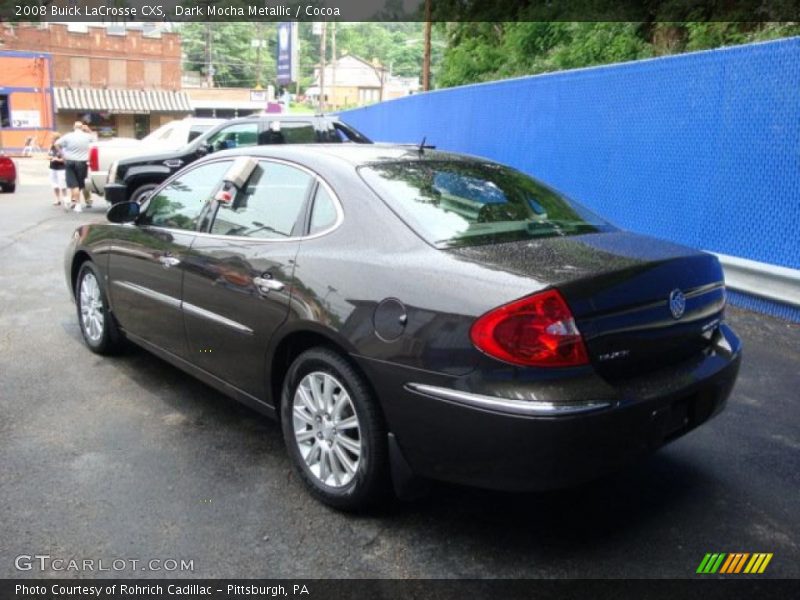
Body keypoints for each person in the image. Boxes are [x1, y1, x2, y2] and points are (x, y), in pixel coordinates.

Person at [55, 121, 93, 212]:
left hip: (70, 161)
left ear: (74, 127)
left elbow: (56, 144)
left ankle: (76, 203)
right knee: (79, 184)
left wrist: (63, 155)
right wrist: (89, 131)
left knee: (73, 184)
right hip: (82, 162)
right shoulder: (87, 136)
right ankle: (74, 201)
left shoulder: (68, 136)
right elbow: (96, 142)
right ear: (82, 127)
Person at [80, 123, 97, 208]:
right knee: (83, 182)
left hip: (86, 161)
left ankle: (87, 199)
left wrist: (89, 131)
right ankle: (87, 200)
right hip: (84, 161)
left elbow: (95, 140)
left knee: (84, 182)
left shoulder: (90, 138)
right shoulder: (79, 139)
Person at [47, 133, 67, 206]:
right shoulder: (51, 147)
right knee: (54, 184)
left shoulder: (62, 147)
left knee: (62, 183)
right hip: (52, 167)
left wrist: (58, 159)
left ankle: (65, 198)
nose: (51, 140)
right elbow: (48, 155)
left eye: (52, 139)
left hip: (61, 168)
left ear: (56, 139)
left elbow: (65, 159)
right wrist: (50, 158)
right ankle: (57, 199)